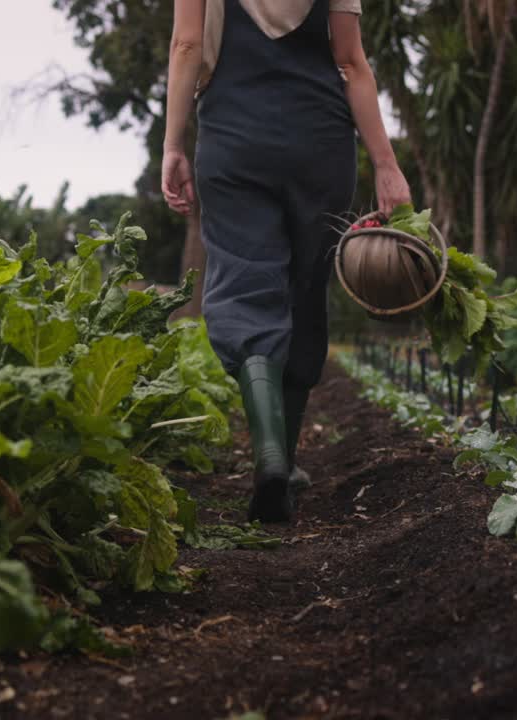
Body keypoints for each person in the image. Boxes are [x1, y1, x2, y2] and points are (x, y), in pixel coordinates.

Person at [162, 0, 411, 522]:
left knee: (244, 285)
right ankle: (287, 461)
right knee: (304, 289)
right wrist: (386, 165)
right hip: (319, 144)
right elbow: (352, 63)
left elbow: (186, 45)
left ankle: (269, 455)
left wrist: (174, 146)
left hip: (233, 141)